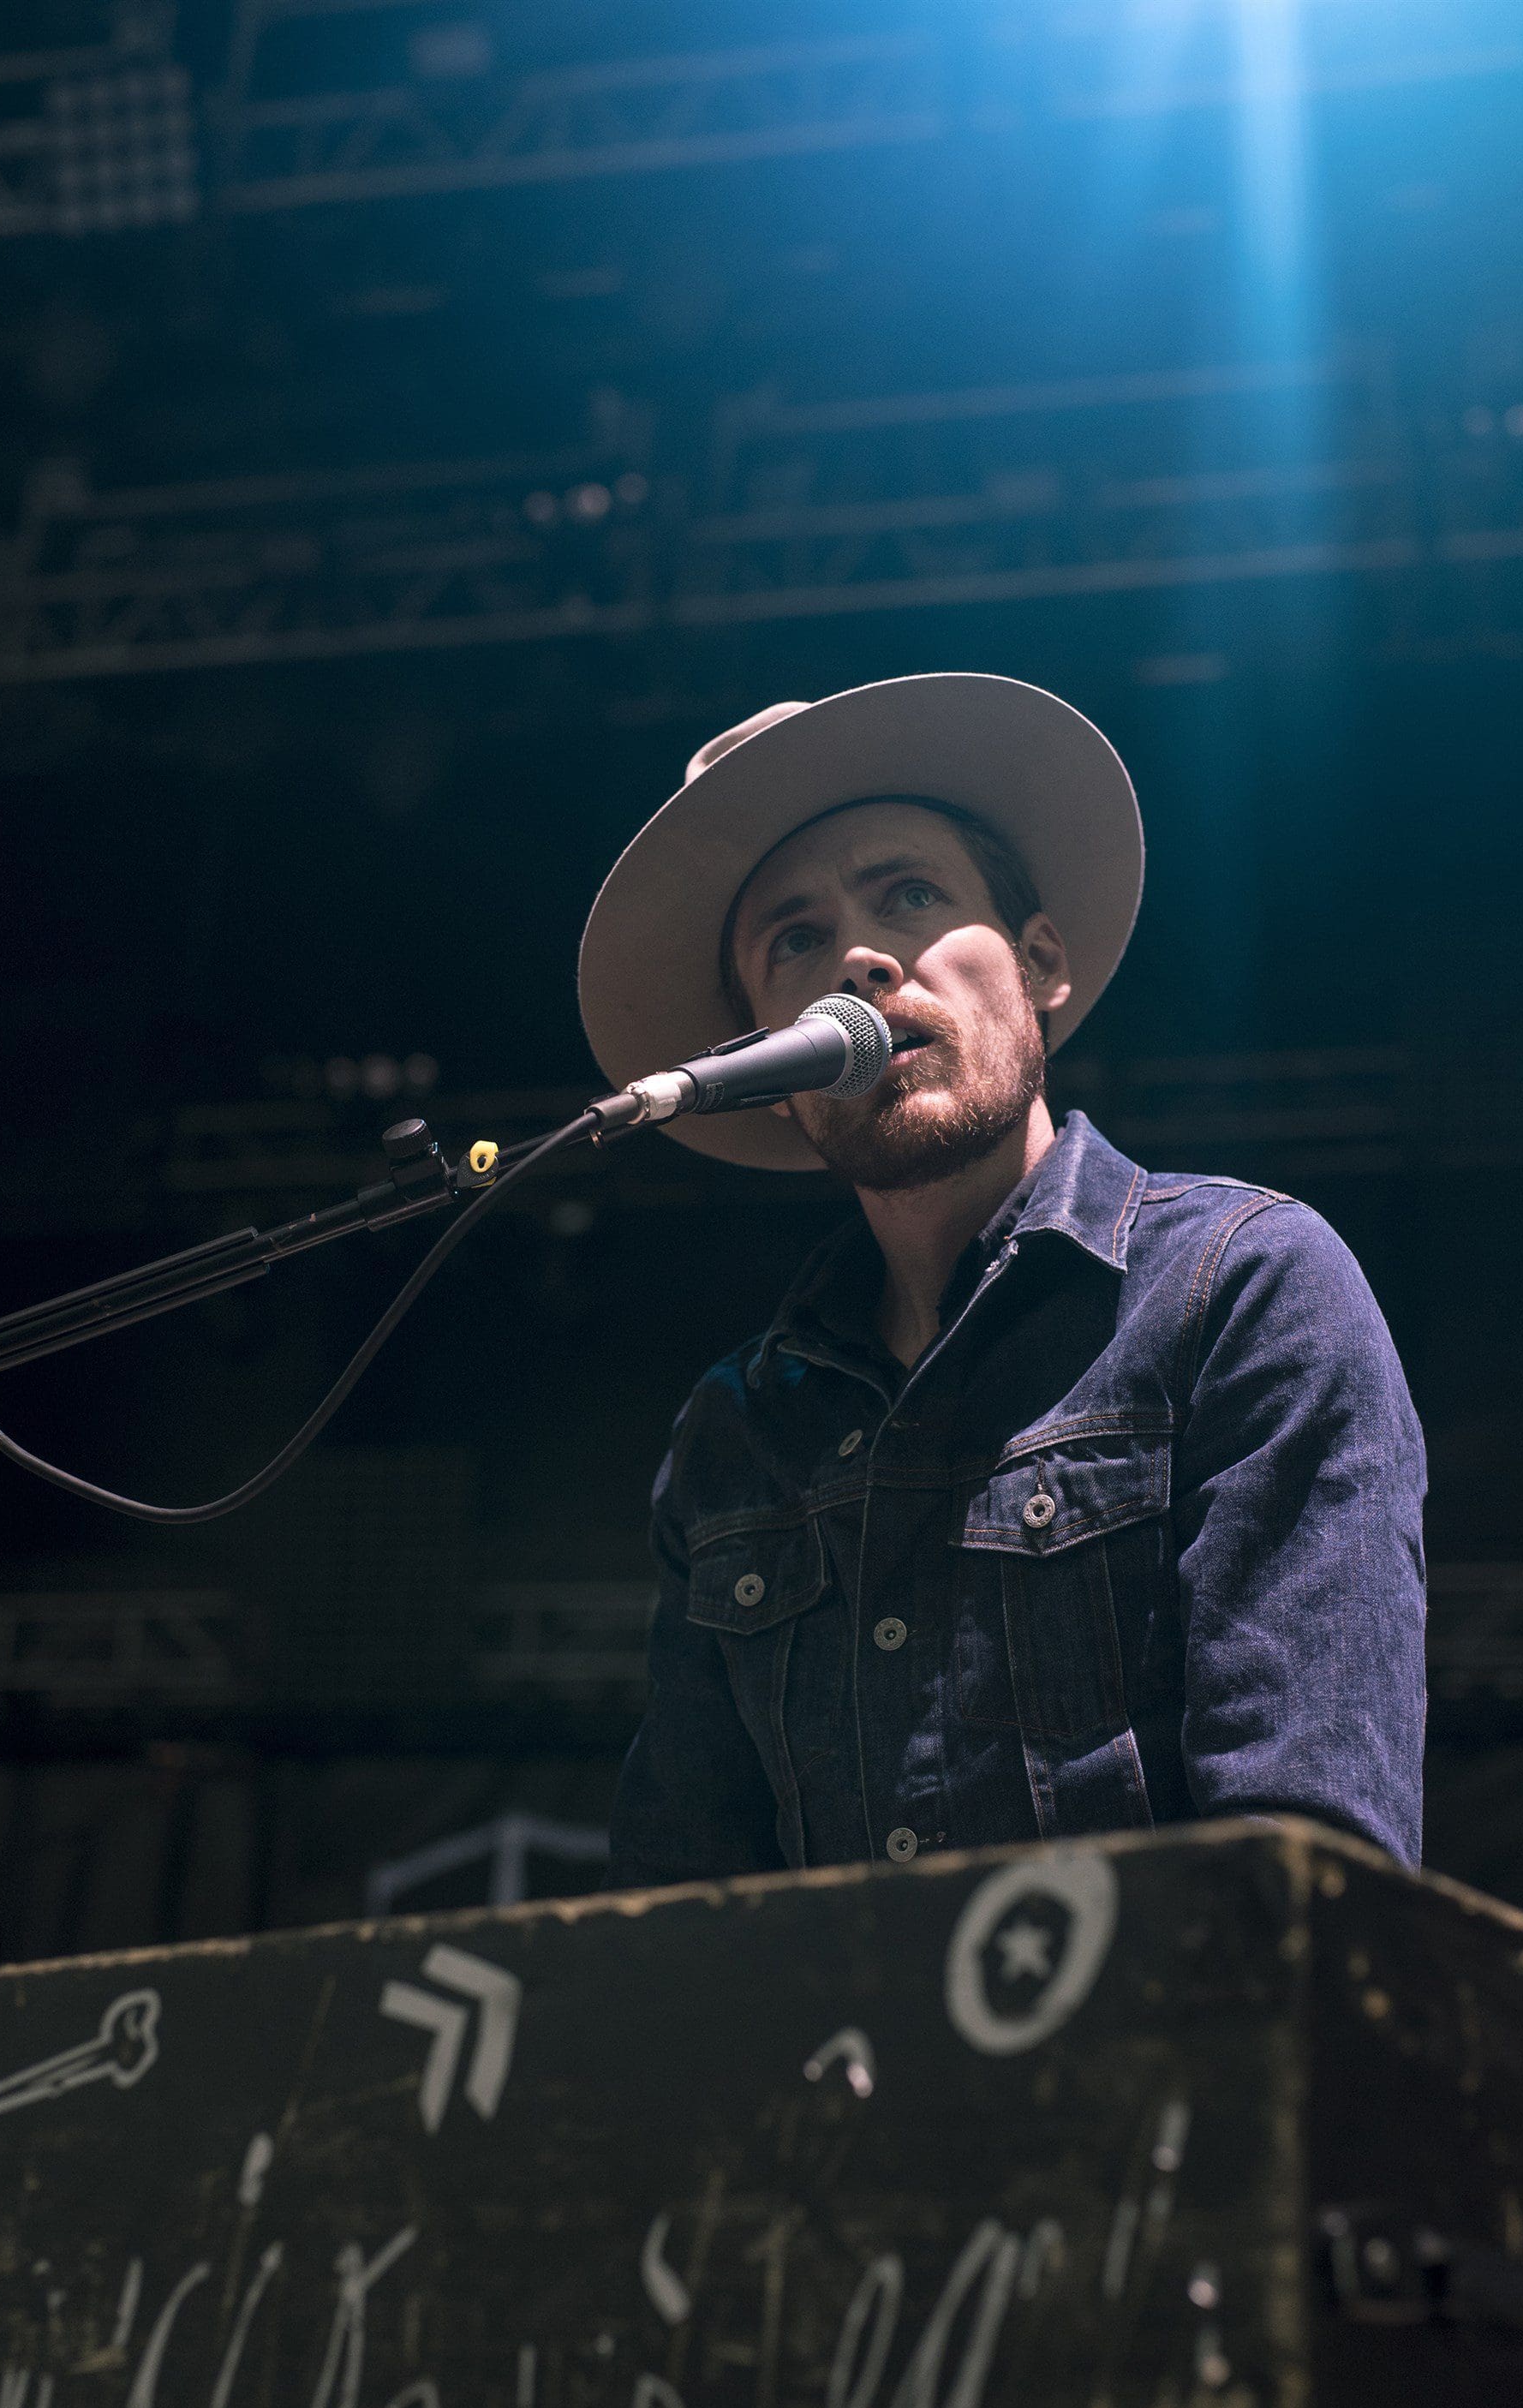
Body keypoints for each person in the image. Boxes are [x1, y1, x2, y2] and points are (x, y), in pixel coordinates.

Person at [576, 675, 1425, 1888]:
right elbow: (682, 1909)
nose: (858, 959)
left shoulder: (1243, 1288)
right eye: (795, 940)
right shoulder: (734, 1432)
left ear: (1040, 964)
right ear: (763, 1063)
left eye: (910, 895)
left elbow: (1307, 1876)